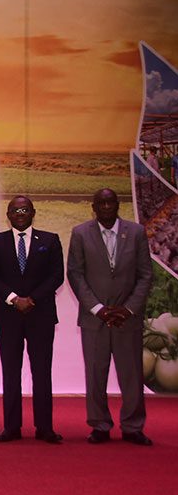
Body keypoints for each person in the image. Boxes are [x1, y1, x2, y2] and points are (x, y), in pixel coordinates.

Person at [67, 188, 153, 445]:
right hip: (95, 319)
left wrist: (127, 309)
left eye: (110, 202)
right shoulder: (81, 233)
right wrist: (98, 308)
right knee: (95, 374)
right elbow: (75, 274)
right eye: (101, 203)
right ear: (93, 207)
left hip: (128, 318)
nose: (106, 207)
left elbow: (145, 275)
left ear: (117, 205)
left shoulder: (136, 232)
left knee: (132, 375)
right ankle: (99, 425)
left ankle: (133, 427)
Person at [0, 196, 64, 444]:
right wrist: (13, 298)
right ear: (8, 214)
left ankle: (44, 427)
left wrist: (31, 299)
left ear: (33, 212)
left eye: (25, 209)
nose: (20, 213)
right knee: (11, 372)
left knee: (42, 372)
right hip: (8, 316)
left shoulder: (50, 240)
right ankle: (11, 427)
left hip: (40, 315)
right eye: (15, 210)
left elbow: (56, 276)